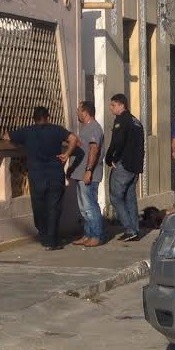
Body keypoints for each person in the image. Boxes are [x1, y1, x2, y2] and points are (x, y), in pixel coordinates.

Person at [3, 106, 79, 251]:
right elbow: (73, 138)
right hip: (55, 173)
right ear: (47, 117)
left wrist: (18, 143)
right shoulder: (56, 130)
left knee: (39, 207)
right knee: (54, 207)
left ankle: (44, 236)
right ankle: (51, 240)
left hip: (37, 175)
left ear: (34, 118)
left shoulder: (27, 131)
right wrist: (67, 153)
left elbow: (6, 136)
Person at [105, 93, 145, 242]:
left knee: (115, 197)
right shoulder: (136, 121)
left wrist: (110, 158)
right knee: (129, 197)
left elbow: (117, 142)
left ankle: (129, 228)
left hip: (124, 164)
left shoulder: (122, 120)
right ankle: (134, 230)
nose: (111, 108)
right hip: (135, 165)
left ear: (122, 105)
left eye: (113, 105)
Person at [70, 100, 105, 247]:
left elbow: (94, 149)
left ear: (85, 112)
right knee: (84, 208)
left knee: (90, 206)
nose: (77, 113)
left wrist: (88, 171)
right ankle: (88, 234)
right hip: (80, 174)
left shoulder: (94, 128)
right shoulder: (85, 128)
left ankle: (96, 235)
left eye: (79, 110)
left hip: (88, 174)